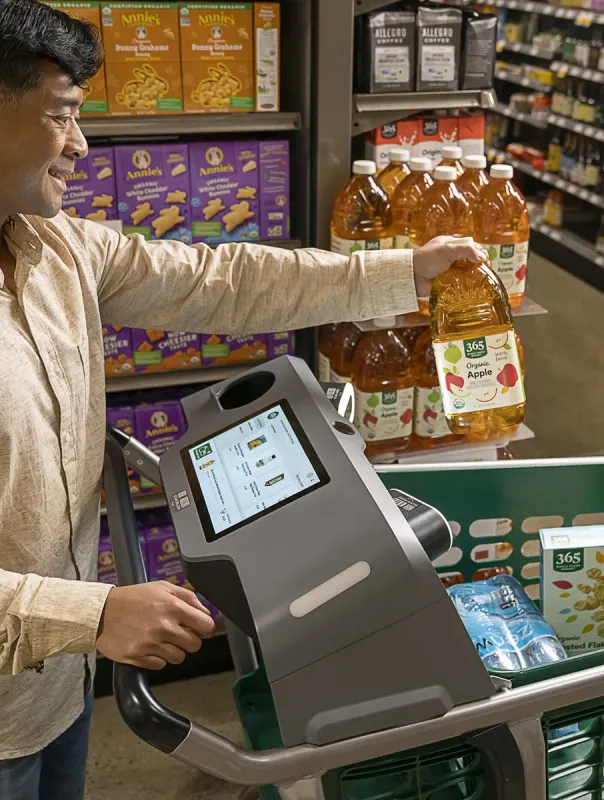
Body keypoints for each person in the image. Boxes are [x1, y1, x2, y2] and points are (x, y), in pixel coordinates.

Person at [0, 2, 488, 797]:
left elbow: (218, 279)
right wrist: (87, 615)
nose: (81, 147)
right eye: (61, 117)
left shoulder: (55, 247)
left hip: (56, 684)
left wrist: (398, 272)